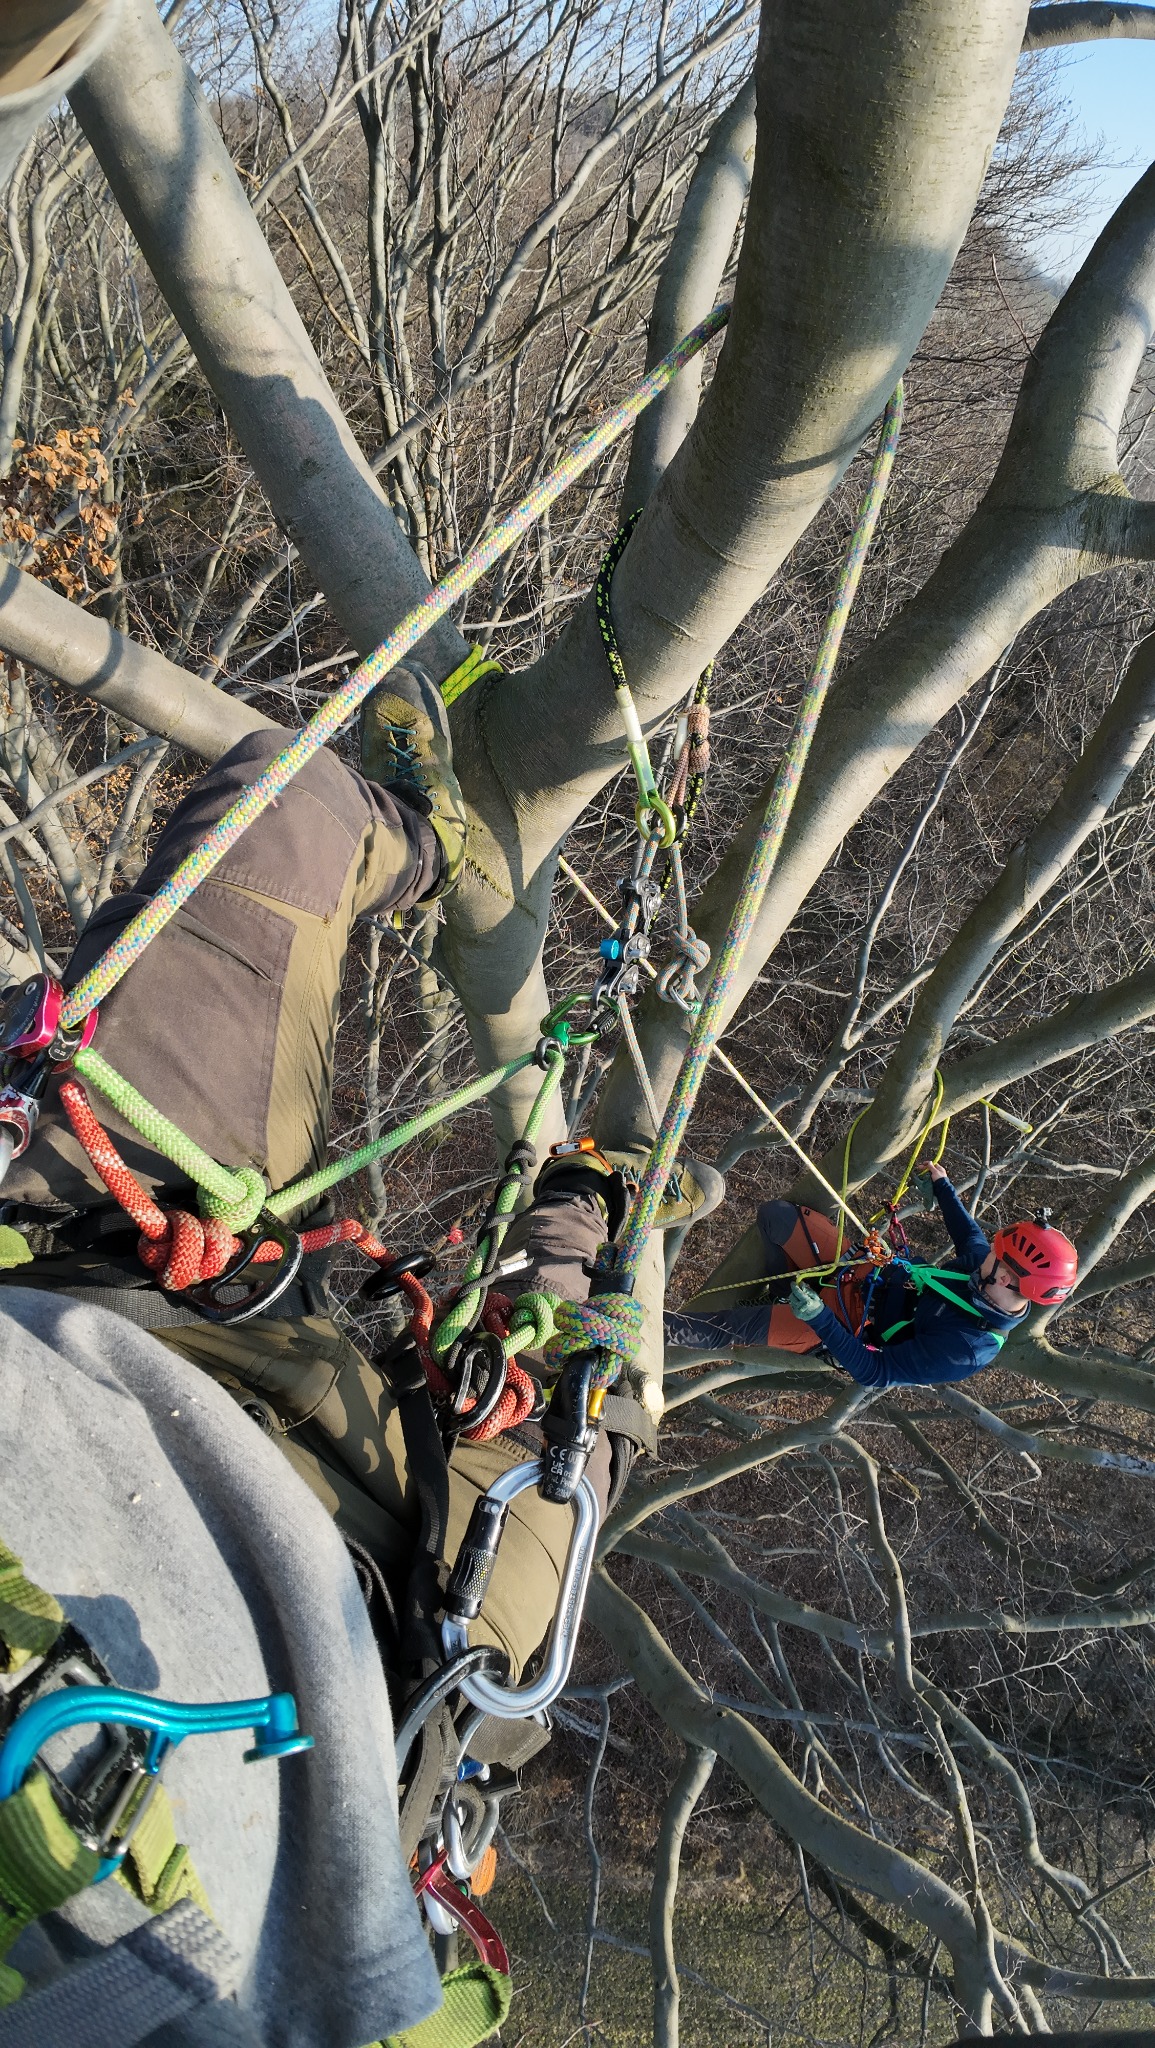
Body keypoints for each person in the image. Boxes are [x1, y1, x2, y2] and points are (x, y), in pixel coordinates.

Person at [664, 1161, 1079, 1390]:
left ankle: (647, 1329)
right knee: (776, 1218)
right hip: (868, 1273)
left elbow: (874, 1373)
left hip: (846, 1327)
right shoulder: (986, 1270)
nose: (985, 1254)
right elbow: (968, 1234)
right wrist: (944, 1188)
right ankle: (781, 1287)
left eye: (995, 1258)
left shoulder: (965, 1348)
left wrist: (819, 1320)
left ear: (1006, 1280)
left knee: (731, 1327)